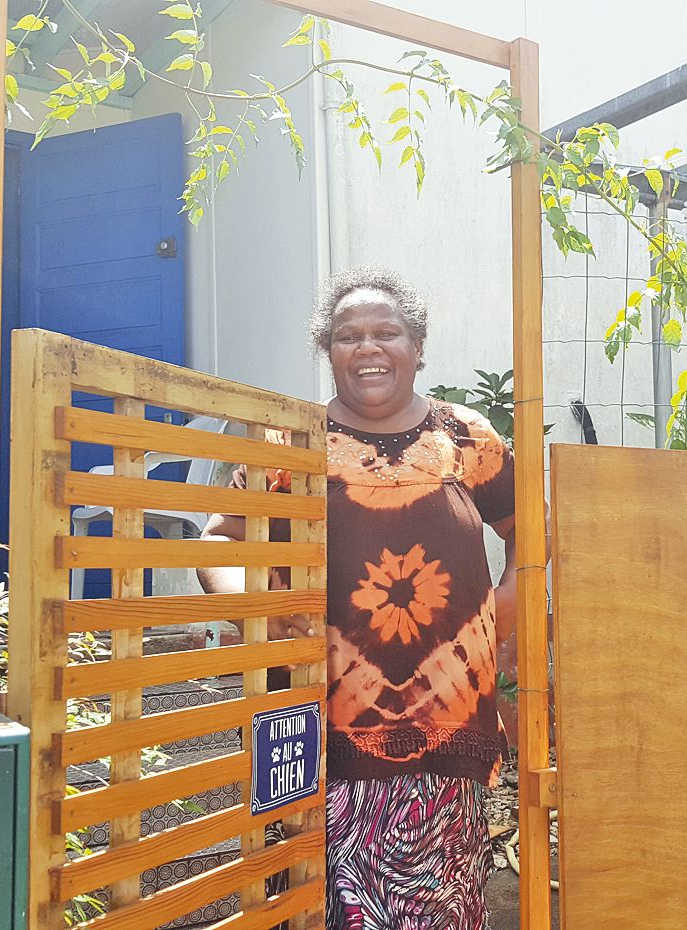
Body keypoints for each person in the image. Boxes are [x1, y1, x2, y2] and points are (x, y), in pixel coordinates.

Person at [198, 266, 520, 930]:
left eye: (386, 332)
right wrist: (259, 609)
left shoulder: (467, 438)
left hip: (446, 735)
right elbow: (218, 542)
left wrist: (507, 606)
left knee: (441, 909)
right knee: (319, 908)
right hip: (316, 729)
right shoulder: (290, 443)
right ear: (328, 351)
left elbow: (532, 539)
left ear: (418, 346)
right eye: (347, 336)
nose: (367, 347)